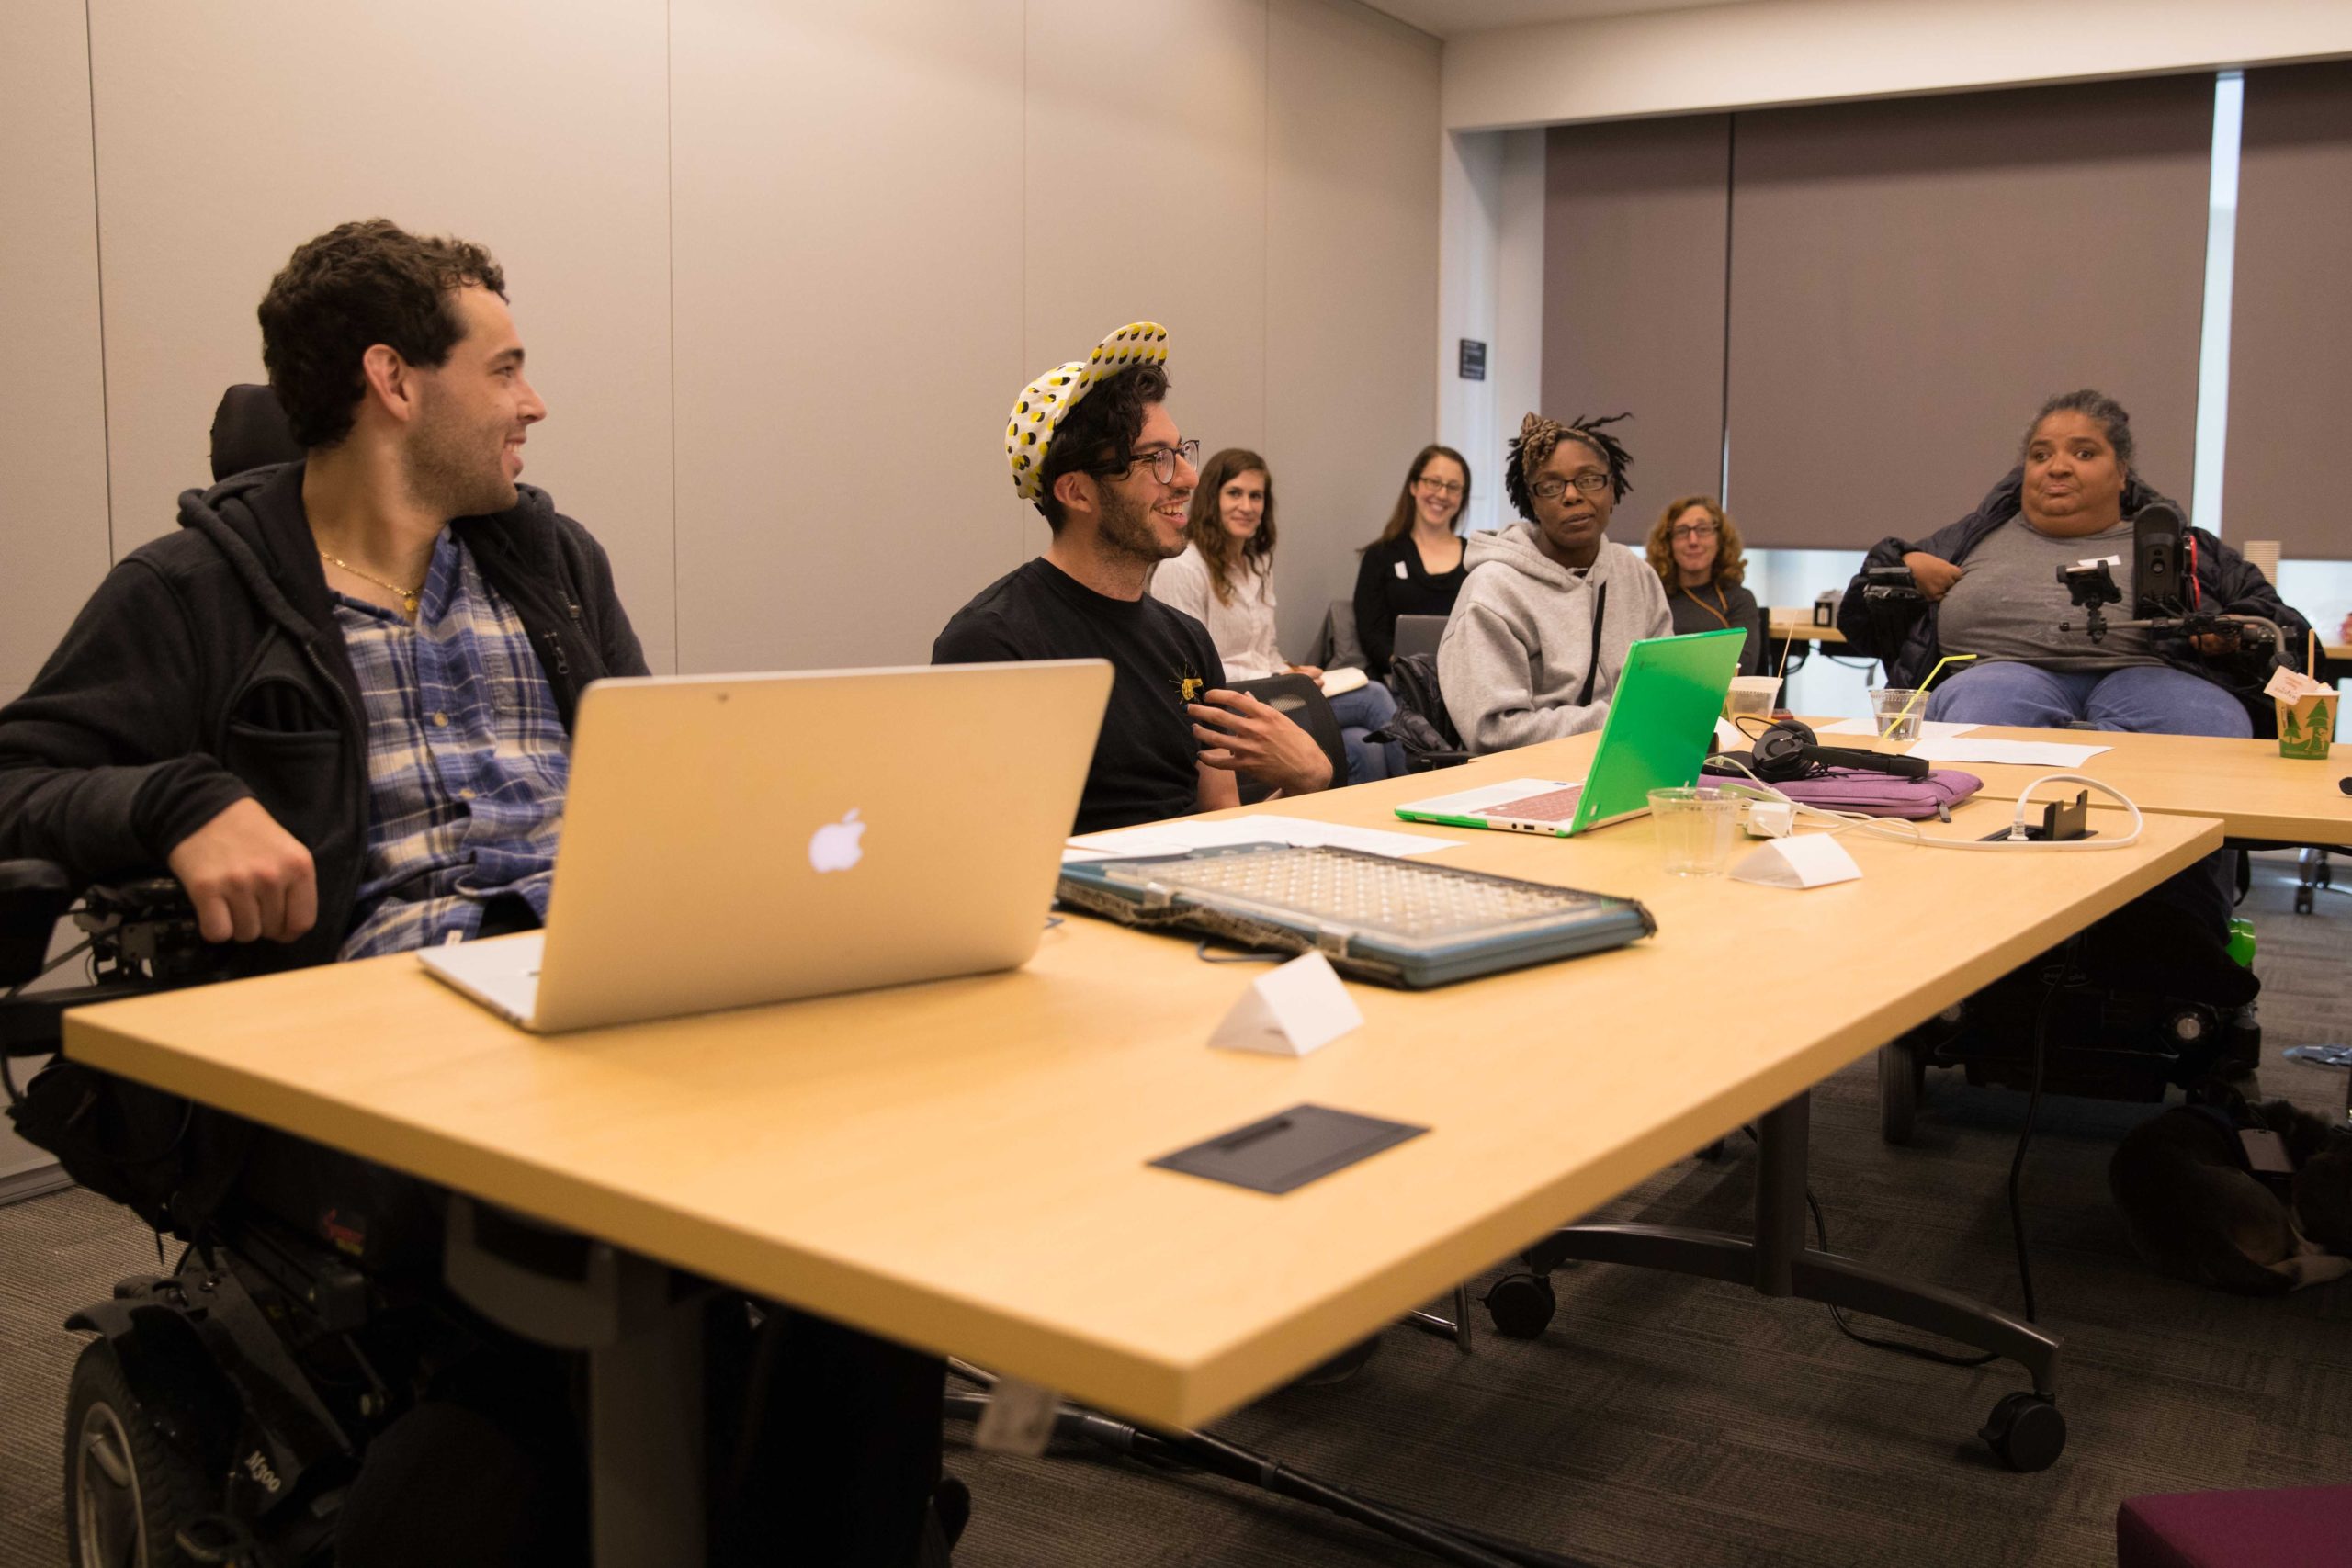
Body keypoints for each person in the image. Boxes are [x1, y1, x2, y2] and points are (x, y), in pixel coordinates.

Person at [0, 220, 949, 1567]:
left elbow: (650, 777)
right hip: (378, 1031)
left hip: (600, 976)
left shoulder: (546, 564)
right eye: (505, 367)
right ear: (396, 381)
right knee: (628, 1233)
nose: (534, 402)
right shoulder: (198, 590)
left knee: (883, 1196)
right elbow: (17, 778)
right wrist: (177, 800)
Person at [1838, 388, 2311, 941]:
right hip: (1997, 671)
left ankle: (2178, 929)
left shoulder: (2187, 548)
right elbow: (1862, 618)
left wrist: (2231, 635)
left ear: (2122, 474)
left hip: (2153, 677)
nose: (2056, 467)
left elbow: (2282, 627)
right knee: (1987, 703)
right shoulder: (1969, 537)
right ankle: (1977, 920)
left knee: (2209, 724)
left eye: (2084, 453)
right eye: (2040, 455)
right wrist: (1899, 565)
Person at [934, 323, 1331, 831]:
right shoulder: (992, 643)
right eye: (1156, 461)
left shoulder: (1186, 638)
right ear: (1077, 492)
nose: (1188, 478)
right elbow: (986, 855)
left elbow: (1221, 821)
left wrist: (1307, 780)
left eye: (1180, 452)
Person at [1150, 448, 1404, 784]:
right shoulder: (1182, 566)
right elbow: (1189, 672)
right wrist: (1280, 680)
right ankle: (1429, 797)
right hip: (1228, 706)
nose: (1247, 506)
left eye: (1256, 496)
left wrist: (1292, 672)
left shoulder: (1257, 564)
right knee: (1373, 697)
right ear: (1212, 497)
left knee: (1360, 745)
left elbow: (1265, 652)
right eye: (1235, 493)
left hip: (1270, 694)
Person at [1439, 412, 1671, 753]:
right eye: (1550, 486)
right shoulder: (1492, 590)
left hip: (1634, 760)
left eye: (1589, 479)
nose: (1572, 495)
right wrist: (1619, 720)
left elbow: (1665, 689)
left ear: (1613, 489)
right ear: (1532, 501)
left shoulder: (1636, 575)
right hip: (1523, 781)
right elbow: (1493, 733)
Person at [1351, 446, 1472, 679]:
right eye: (1433, 482)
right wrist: (1409, 672)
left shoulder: (1476, 560)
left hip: (1463, 683)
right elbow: (1371, 635)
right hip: (1398, 686)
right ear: (1414, 486)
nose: (1442, 494)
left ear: (1462, 497)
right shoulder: (1380, 556)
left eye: (1453, 487)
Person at [1646, 495, 1763, 676]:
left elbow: (1742, 668)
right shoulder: (1652, 596)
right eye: (1682, 531)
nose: (1693, 541)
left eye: (1703, 529)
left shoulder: (1738, 600)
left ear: (1720, 540)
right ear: (1668, 543)